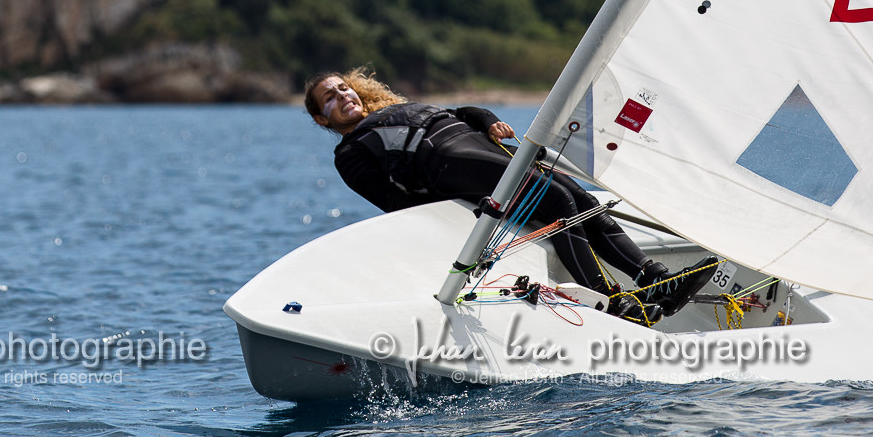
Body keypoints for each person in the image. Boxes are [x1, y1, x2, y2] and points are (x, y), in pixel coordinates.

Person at [306, 67, 716, 324]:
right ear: (322, 119)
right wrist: (458, 213)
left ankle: (654, 279)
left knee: (583, 202)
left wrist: (491, 122)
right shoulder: (350, 152)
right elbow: (394, 203)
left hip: (478, 144)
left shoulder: (393, 109)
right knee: (556, 201)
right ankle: (613, 303)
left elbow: (464, 113)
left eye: (344, 88)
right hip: (449, 163)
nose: (343, 97)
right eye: (331, 98)